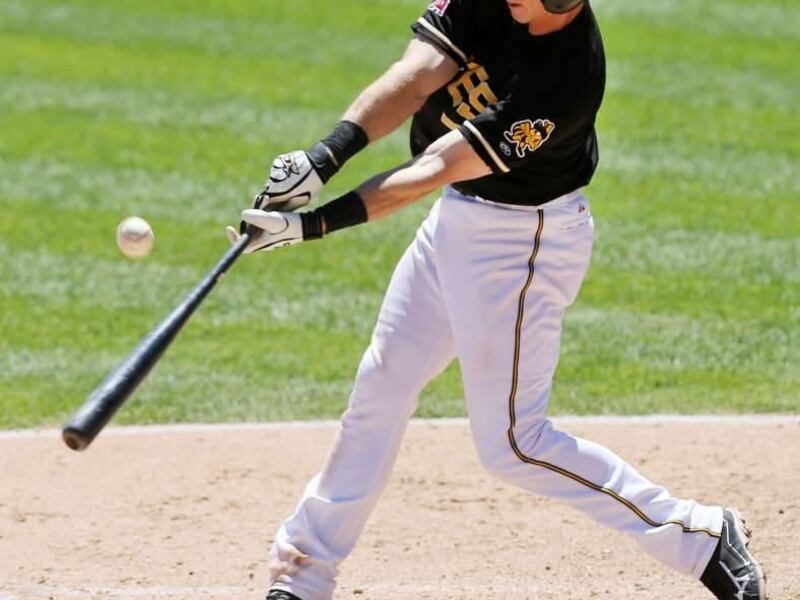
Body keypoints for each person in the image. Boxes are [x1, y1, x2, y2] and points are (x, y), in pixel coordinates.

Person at [226, 1, 767, 599]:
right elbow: (416, 77)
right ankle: (304, 574)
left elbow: (434, 166)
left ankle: (701, 535)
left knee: (515, 443)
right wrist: (322, 157)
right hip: (458, 219)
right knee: (383, 386)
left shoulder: (565, 80)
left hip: (523, 242)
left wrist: (312, 226)